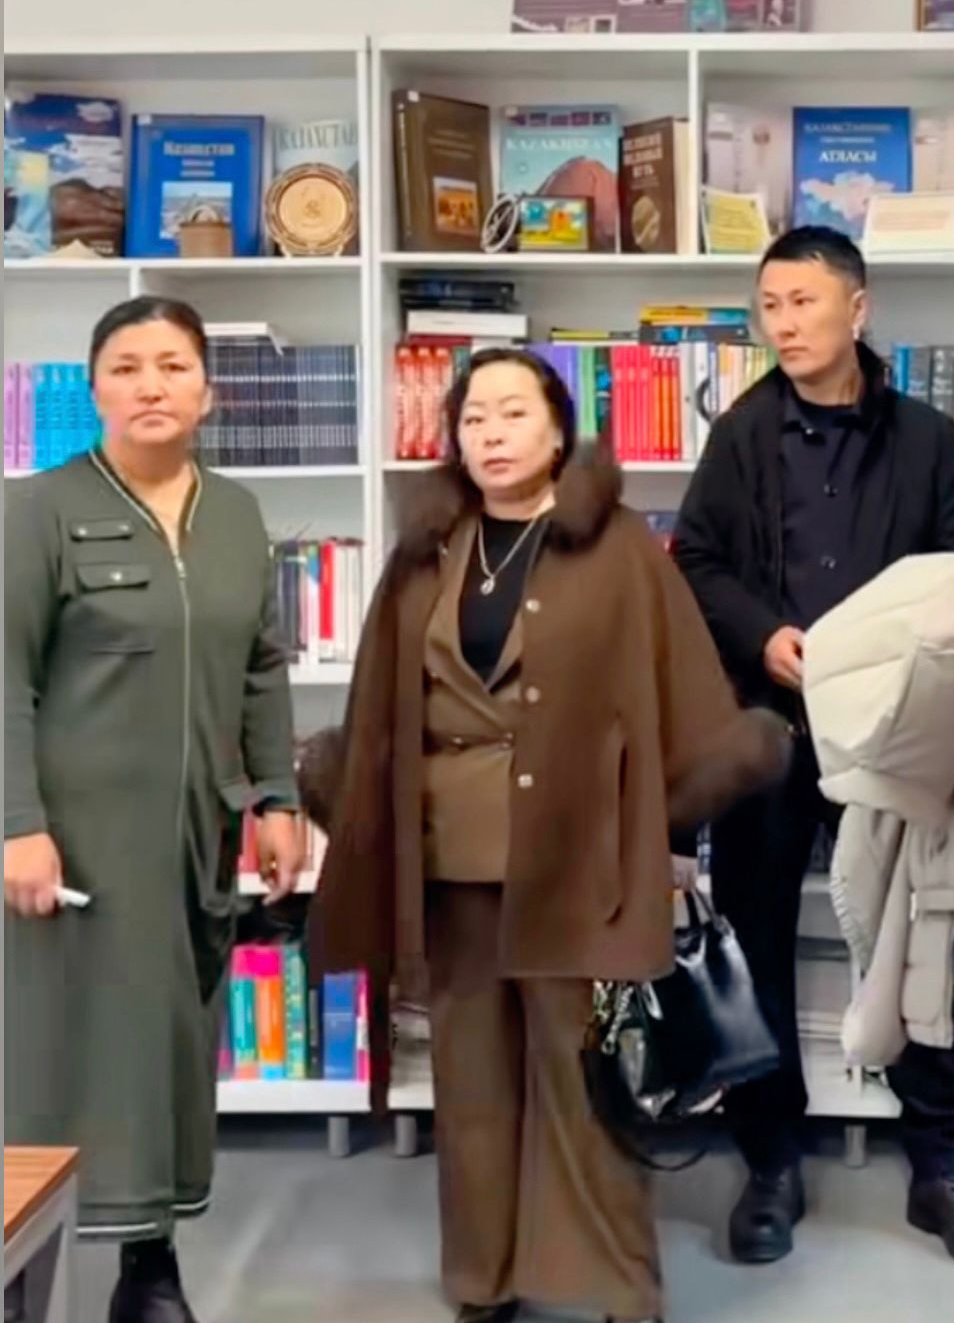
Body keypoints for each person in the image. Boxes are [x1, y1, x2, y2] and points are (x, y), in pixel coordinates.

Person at [300, 347, 789, 1323]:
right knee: (472, 1085)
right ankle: (482, 1283)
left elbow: (677, 692)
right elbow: (379, 702)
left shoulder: (619, 550)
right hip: (451, 862)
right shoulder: (425, 548)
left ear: (558, 430)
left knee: (586, 1080)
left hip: (581, 858)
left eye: (513, 413)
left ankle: (618, 1288)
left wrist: (669, 826)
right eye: (473, 418)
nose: (491, 434)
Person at [672, 225, 954, 1265]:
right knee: (754, 939)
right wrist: (764, 635)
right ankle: (770, 1162)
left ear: (858, 307)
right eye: (769, 306)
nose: (784, 324)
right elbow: (696, 559)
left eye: (803, 302)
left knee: (905, 931)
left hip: (891, 726)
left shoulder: (927, 438)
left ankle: (940, 1161)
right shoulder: (741, 433)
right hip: (768, 725)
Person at [4, 296, 303, 1323]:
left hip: (194, 838)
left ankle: (149, 1260)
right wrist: (16, 825)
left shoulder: (237, 516)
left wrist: (275, 796)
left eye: (173, 365)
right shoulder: (38, 511)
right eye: (126, 367)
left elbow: (262, 667)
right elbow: (3, 679)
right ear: (94, 390)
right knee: (53, 1052)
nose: (150, 385)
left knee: (169, 1049)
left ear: (208, 391)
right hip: (71, 843)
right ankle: (24, 1272)